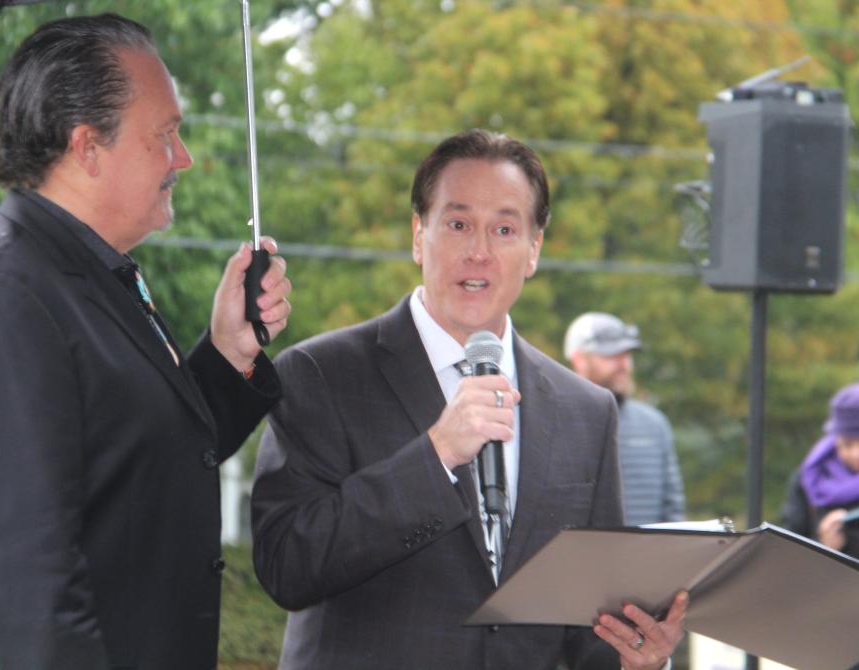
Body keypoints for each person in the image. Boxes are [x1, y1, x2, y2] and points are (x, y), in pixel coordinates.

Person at [0, 14, 291, 670]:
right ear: (87, 147)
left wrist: (229, 352)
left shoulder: (88, 276)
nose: (185, 159)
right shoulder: (2, 299)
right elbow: (27, 591)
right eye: (165, 135)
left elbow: (138, 467)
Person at [250, 129, 686, 670]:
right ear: (418, 235)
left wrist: (638, 660)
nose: (479, 251)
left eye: (504, 229)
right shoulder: (320, 374)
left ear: (533, 250)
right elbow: (286, 566)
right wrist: (435, 455)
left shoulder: (586, 411)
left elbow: (589, 632)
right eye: (458, 224)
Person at [563, 312, 686, 526]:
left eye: (626, 355)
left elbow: (672, 508)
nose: (623, 365)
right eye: (611, 355)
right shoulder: (557, 421)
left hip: (647, 556)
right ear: (579, 359)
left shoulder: (654, 425)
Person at [782, 383, 859, 558]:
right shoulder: (811, 477)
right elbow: (789, 547)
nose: (856, 453)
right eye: (847, 444)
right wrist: (823, 546)